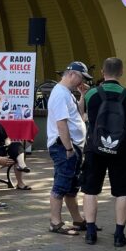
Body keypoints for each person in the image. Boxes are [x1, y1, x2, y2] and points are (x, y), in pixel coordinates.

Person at [80, 58, 126, 247]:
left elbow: (83, 116)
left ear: (103, 72)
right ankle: (119, 235)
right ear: (121, 72)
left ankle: (90, 232)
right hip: (120, 148)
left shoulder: (91, 94)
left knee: (90, 189)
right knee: (122, 191)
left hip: (94, 147)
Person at [47, 61, 93, 236]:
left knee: (71, 185)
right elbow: (61, 123)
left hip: (72, 145)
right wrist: (68, 148)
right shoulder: (60, 94)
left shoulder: (67, 93)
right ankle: (55, 222)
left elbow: (78, 116)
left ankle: (77, 219)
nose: (82, 82)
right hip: (65, 146)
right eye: (82, 78)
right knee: (61, 184)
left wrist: (82, 95)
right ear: (72, 74)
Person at [0, 105, 31, 190]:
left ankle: (22, 167)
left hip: (1, 149)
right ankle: (20, 170)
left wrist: (8, 143)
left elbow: (6, 138)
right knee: (15, 156)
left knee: (17, 146)